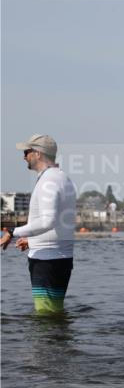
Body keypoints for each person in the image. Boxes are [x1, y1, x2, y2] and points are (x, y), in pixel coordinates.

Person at [1, 134, 77, 314]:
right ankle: (58, 342)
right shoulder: (61, 178)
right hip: (56, 257)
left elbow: (48, 221)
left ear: (38, 154)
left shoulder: (48, 181)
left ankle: (49, 343)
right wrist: (32, 240)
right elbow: (60, 221)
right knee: (53, 315)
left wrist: (12, 232)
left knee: (46, 317)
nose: (23, 157)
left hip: (47, 261)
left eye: (27, 152)